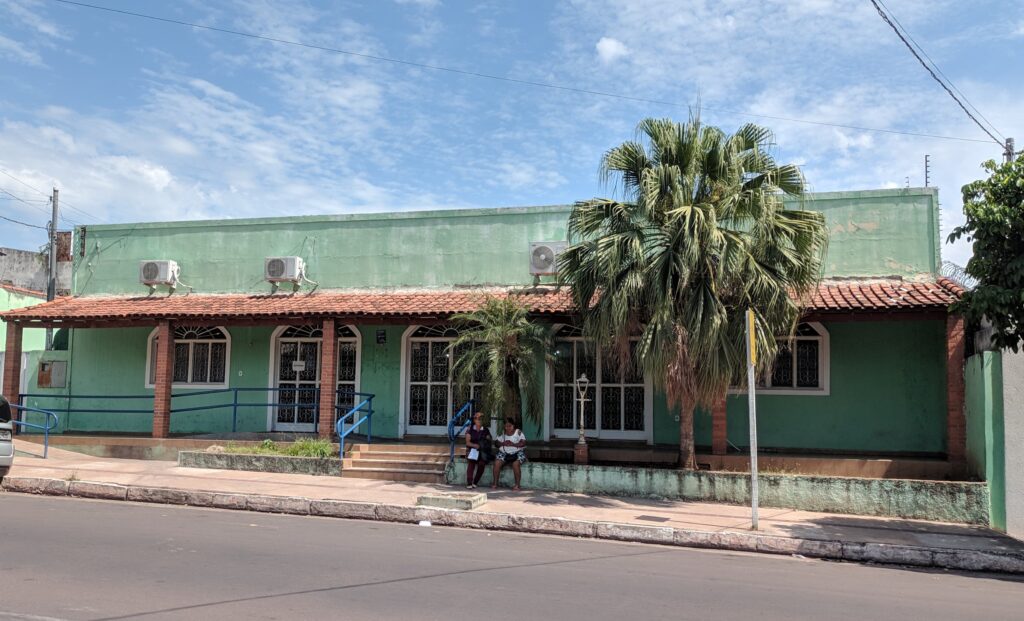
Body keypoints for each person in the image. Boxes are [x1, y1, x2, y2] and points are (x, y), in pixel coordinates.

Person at [492, 417, 526, 490]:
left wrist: (513, 444)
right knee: (497, 463)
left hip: (517, 452)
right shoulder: (502, 433)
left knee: (515, 464)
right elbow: (496, 443)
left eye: (510, 426)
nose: (508, 428)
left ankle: (517, 485)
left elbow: (523, 443)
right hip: (504, 453)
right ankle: (495, 483)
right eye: (506, 426)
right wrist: (502, 443)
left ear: (513, 425)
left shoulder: (518, 432)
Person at [464, 412, 491, 489]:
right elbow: (468, 442)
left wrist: (486, 440)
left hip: (482, 450)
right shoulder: (470, 429)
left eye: (481, 419)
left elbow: (489, 440)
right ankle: (469, 482)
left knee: (482, 463)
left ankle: (475, 482)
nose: (479, 420)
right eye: (477, 418)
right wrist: (475, 445)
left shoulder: (485, 430)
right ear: (474, 420)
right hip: (472, 449)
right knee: (471, 462)